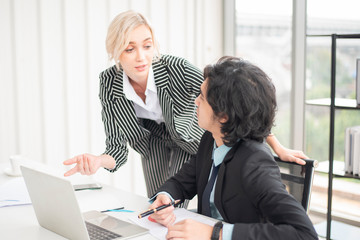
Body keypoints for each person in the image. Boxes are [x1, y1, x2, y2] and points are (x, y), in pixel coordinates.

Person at [63, 10, 308, 199]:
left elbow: (230, 98)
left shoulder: (175, 69)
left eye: (147, 46)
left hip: (194, 139)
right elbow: (116, 148)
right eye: (130, 49)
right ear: (115, 51)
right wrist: (97, 161)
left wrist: (277, 146)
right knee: (160, 203)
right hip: (153, 147)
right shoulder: (108, 82)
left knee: (201, 199)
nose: (141, 57)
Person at [148, 56, 318, 240]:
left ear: (224, 116)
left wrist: (214, 234)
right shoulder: (211, 139)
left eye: (202, 98)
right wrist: (165, 197)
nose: (195, 101)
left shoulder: (255, 163)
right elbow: (182, 182)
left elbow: (304, 234)